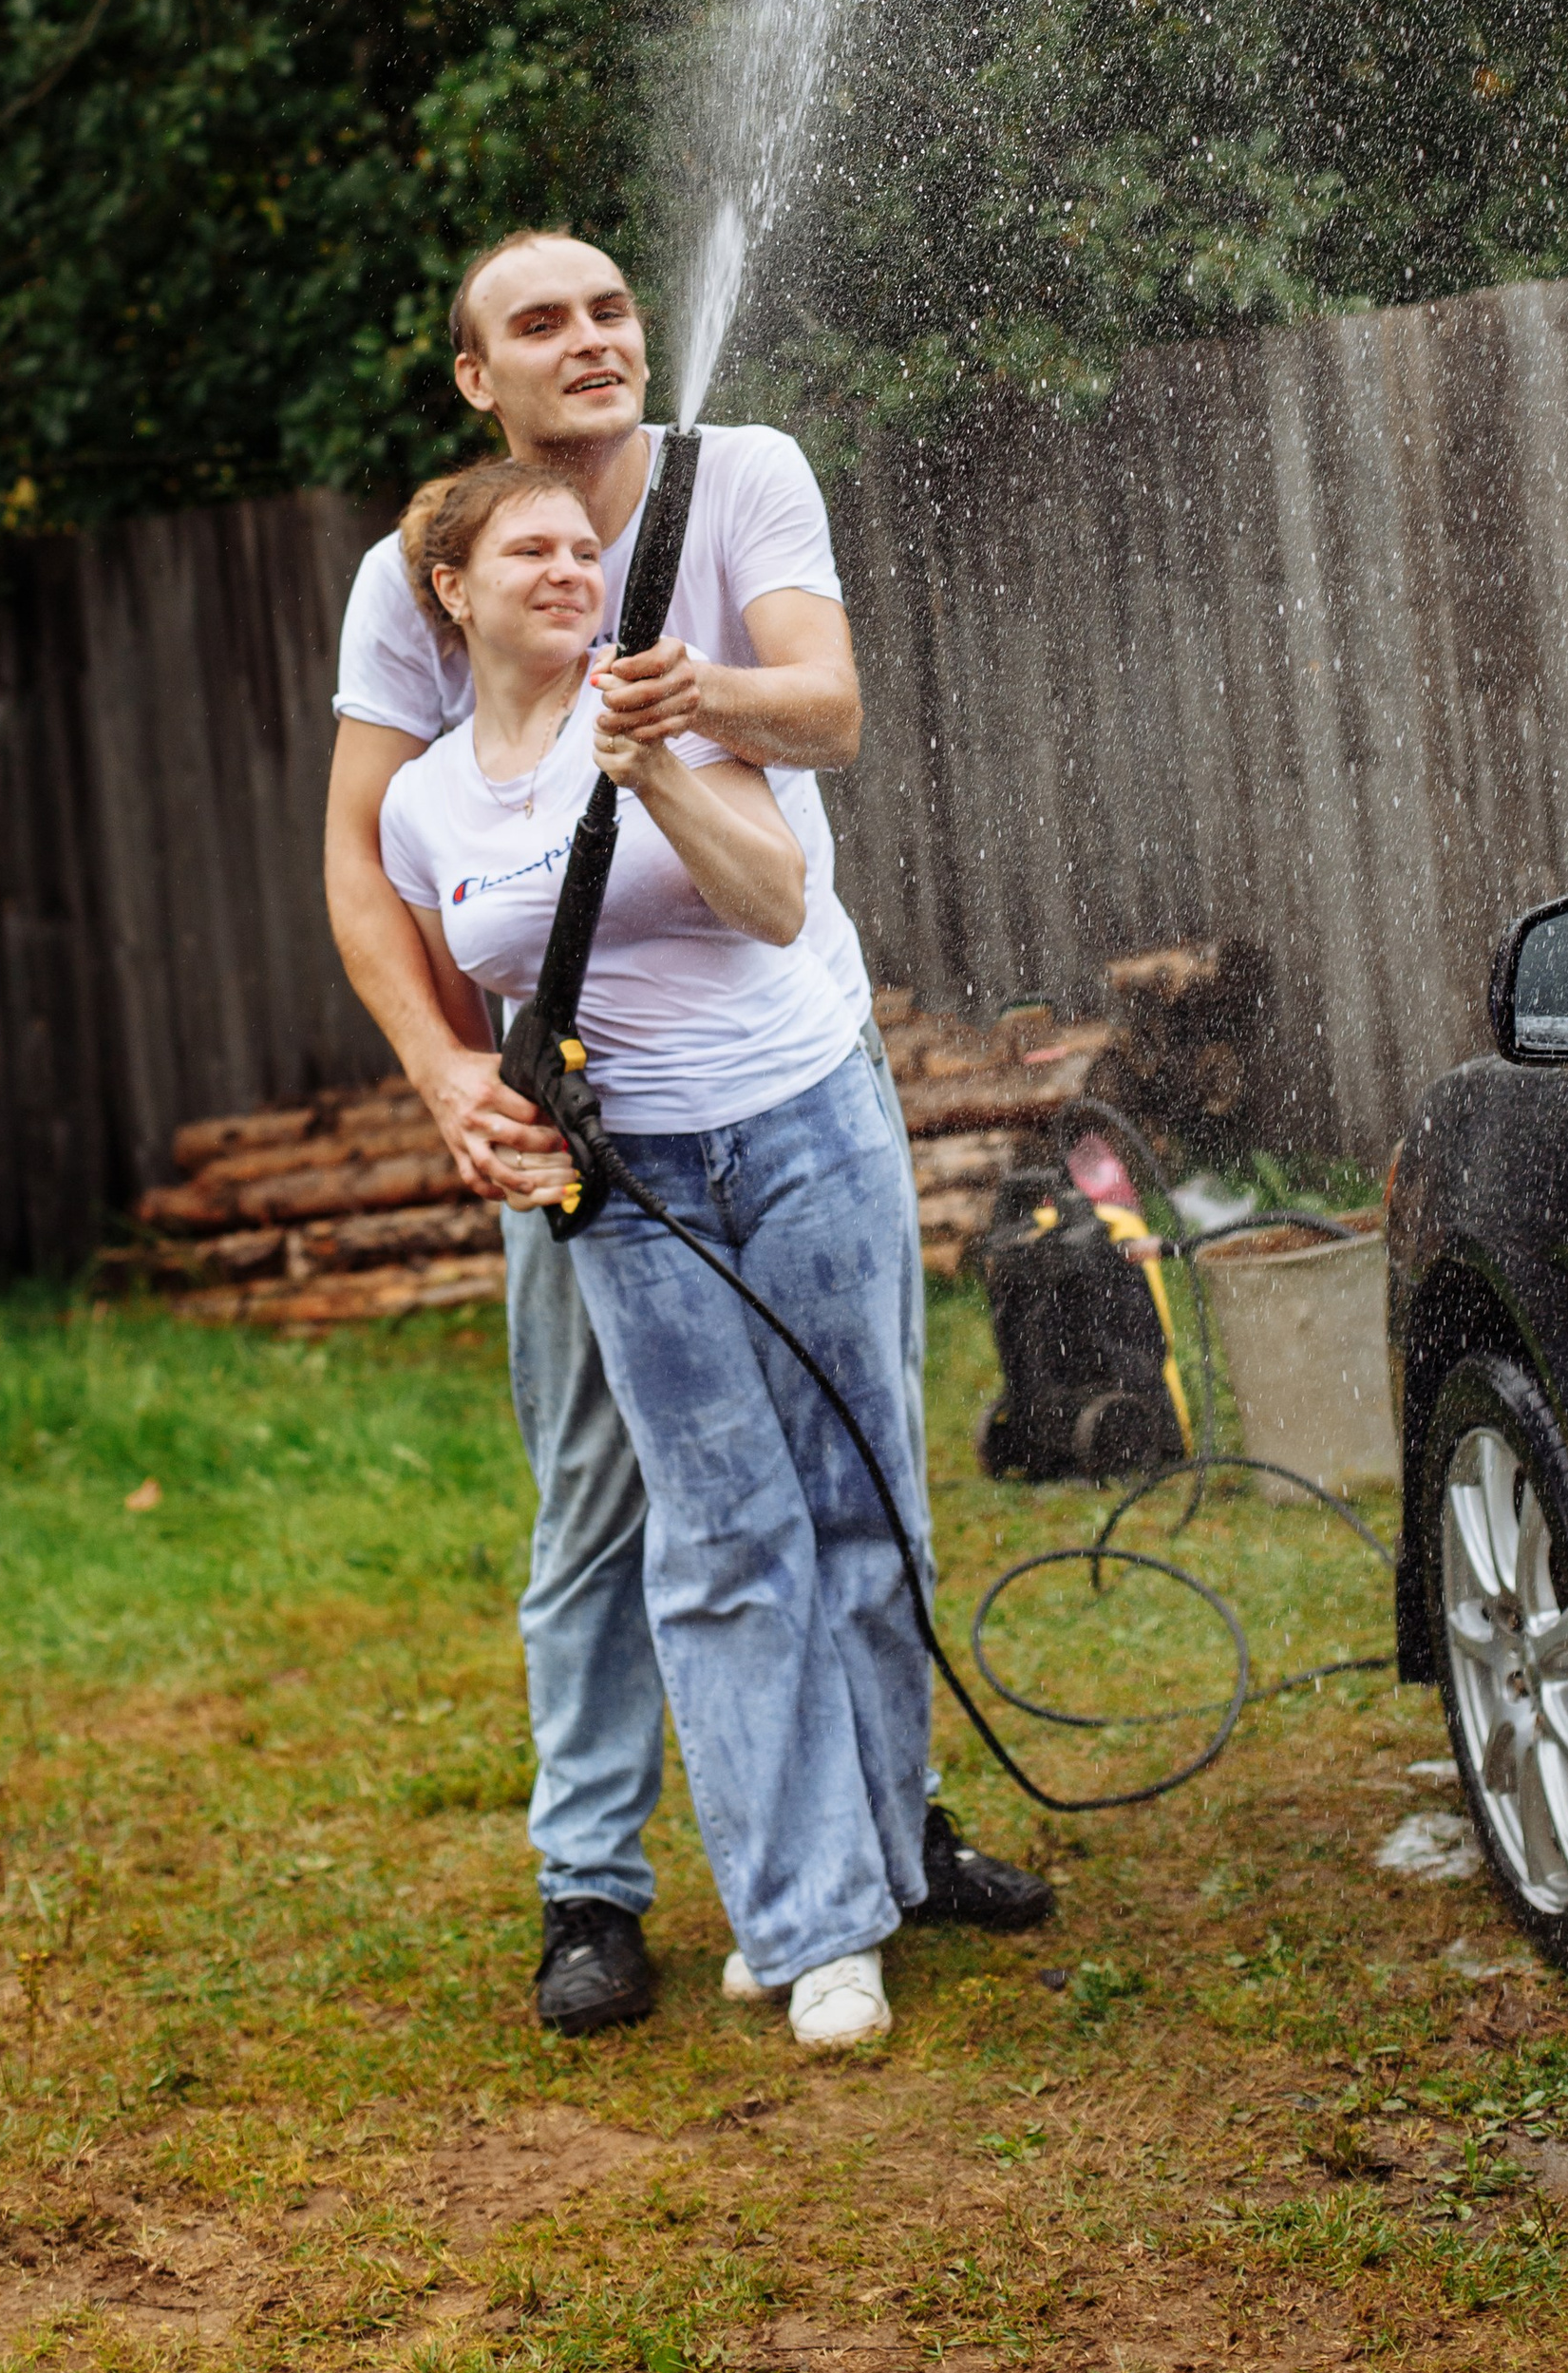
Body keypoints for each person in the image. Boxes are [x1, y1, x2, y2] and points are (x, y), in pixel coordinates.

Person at [323, 227, 1052, 2036]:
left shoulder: (740, 483)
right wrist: (445, 1078)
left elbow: (831, 710)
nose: (591, 341)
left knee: (858, 1483)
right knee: (614, 1509)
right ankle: (597, 1884)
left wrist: (680, 706)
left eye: (611, 309)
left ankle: (882, 1839)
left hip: (795, 1081)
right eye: (537, 323)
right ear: (474, 377)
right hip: (585, 1138)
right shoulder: (413, 585)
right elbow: (373, 855)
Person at [380, 459, 929, 2045]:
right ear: (454, 594)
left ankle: (874, 1872)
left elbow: (774, 899)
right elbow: (474, 1008)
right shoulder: (422, 805)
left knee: (859, 1507)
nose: (566, 568)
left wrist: (659, 765)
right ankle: (807, 1919)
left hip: (805, 1132)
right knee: (722, 1536)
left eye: (581, 547)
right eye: (527, 552)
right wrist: (487, 1106)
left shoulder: (671, 701)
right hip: (624, 1187)